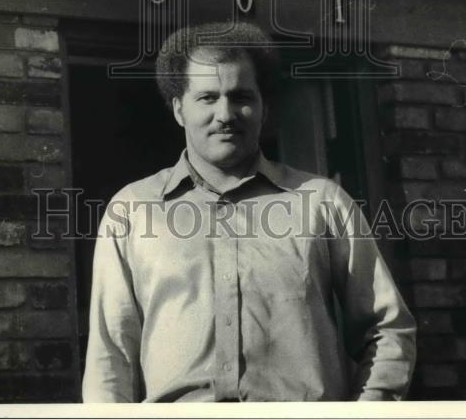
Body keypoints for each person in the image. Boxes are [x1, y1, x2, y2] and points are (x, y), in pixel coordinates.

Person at [82, 21, 416, 402]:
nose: (225, 114)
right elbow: (111, 358)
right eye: (207, 98)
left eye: (241, 96)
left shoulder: (322, 201)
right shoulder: (132, 211)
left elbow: (387, 328)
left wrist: (367, 411)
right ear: (178, 109)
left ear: (263, 108)